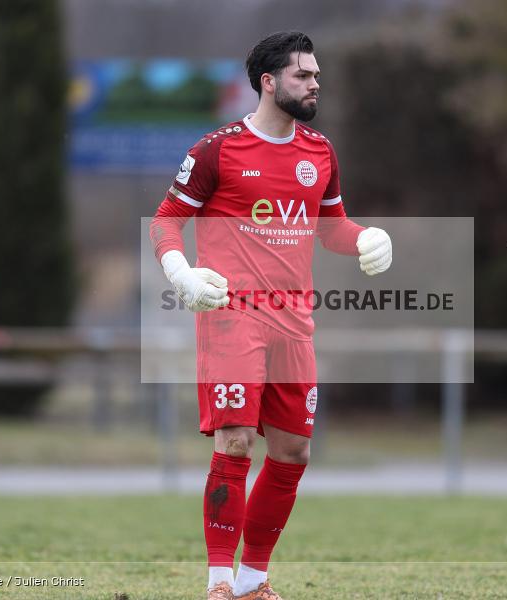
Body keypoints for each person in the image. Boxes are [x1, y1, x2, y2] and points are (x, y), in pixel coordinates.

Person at [150, 31, 392, 600]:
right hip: (232, 317)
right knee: (235, 443)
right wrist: (181, 274)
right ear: (268, 81)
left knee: (293, 454)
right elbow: (166, 219)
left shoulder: (319, 152)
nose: (314, 84)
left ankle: (254, 582)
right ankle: (219, 583)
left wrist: (366, 237)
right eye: (302, 75)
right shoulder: (217, 150)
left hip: (294, 323)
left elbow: (332, 228)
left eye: (316, 75)